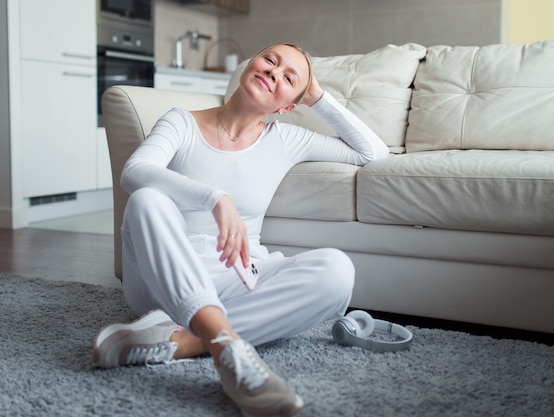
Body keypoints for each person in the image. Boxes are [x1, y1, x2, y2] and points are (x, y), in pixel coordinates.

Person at [92, 43, 389, 417]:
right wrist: (215, 199)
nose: (273, 73)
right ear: (252, 63)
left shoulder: (286, 138)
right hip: (162, 275)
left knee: (337, 270)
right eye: (270, 60)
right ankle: (225, 347)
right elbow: (134, 172)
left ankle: (182, 342)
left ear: (287, 106)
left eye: (288, 78)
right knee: (146, 199)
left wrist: (315, 94)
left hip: (237, 275)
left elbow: (372, 152)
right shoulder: (182, 121)